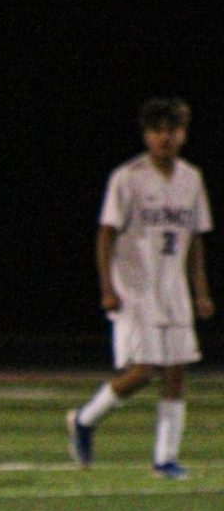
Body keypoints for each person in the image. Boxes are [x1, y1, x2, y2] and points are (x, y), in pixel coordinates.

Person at [67, 97, 215, 478]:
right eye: (158, 130)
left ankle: (164, 458)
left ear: (183, 134)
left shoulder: (191, 178)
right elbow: (105, 235)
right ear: (147, 135)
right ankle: (85, 419)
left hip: (173, 289)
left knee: (177, 371)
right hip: (135, 288)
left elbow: (195, 240)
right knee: (145, 370)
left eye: (173, 130)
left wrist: (200, 290)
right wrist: (107, 287)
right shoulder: (127, 177)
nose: (165, 137)